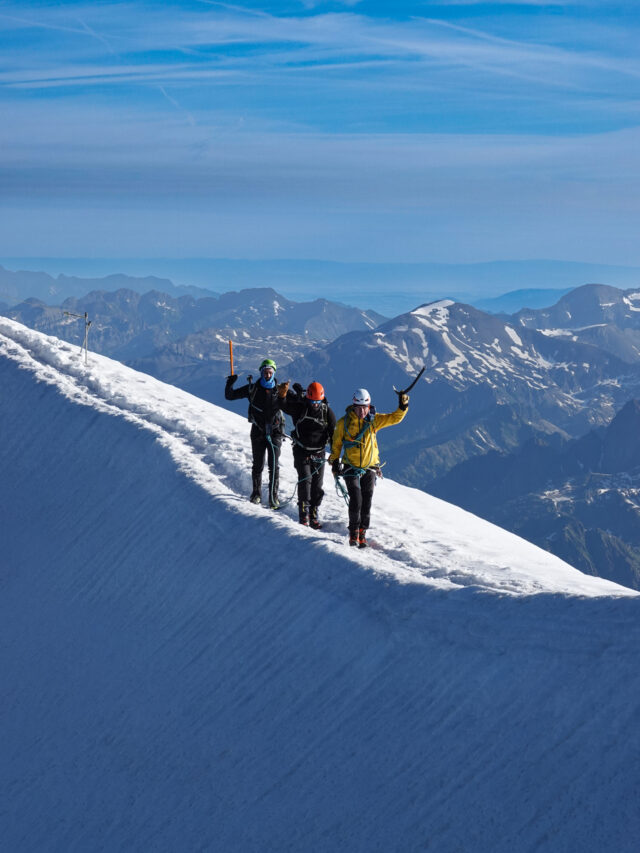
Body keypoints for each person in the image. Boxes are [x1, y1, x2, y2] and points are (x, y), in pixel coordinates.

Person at [329, 387, 409, 548]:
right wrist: (335, 461)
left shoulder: (374, 420)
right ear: (353, 406)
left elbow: (394, 418)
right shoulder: (344, 423)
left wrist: (403, 406)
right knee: (356, 499)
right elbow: (336, 444)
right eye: (359, 408)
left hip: (370, 467)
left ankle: (362, 533)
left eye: (364, 408)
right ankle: (353, 533)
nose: (362, 412)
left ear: (369, 406)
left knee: (366, 501)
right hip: (351, 466)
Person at [225, 358, 284, 508]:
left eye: (270, 372)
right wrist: (230, 382)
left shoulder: (281, 391)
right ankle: (256, 494)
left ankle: (273, 497)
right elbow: (230, 395)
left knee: (274, 465)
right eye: (265, 372)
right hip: (258, 432)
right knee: (258, 465)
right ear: (261, 372)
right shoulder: (253, 389)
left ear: (274, 372)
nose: (268, 374)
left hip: (275, 432)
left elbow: (296, 406)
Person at [277, 380, 336, 528]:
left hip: (319, 453)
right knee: (305, 480)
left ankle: (313, 513)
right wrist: (282, 395)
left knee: (317, 485)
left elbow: (334, 434)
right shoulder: (301, 408)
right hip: (301, 450)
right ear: (308, 399)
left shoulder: (326, 412)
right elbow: (284, 406)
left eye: (318, 401)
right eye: (313, 401)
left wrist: (335, 457)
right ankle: (303, 515)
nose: (315, 404)